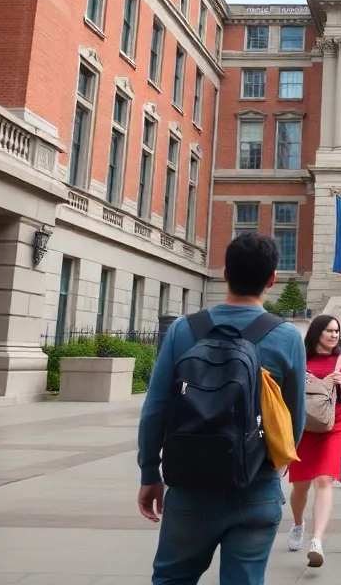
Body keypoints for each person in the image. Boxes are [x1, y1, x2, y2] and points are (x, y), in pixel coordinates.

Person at [138, 233, 306, 585]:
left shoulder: (185, 329)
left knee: (171, 579)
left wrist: (150, 473)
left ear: (225, 272)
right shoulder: (287, 337)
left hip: (190, 486)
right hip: (255, 487)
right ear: (273, 279)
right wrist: (274, 463)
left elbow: (155, 408)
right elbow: (294, 419)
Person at [287, 314, 341, 567]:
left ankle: (316, 540)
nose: (334, 335)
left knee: (325, 479)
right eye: (329, 330)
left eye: (337, 331)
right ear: (317, 332)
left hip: (334, 424)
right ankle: (298, 524)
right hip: (303, 427)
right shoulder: (300, 359)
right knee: (301, 486)